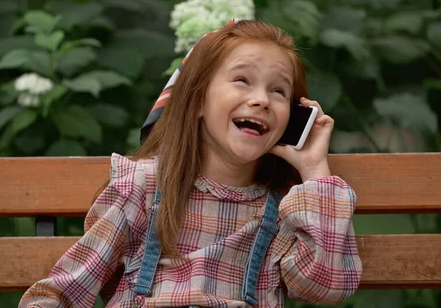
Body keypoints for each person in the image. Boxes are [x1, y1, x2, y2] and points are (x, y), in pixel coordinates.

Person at [19, 19, 362, 308]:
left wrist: (314, 169)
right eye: (242, 80)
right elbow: (64, 290)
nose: (260, 100)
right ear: (197, 99)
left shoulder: (285, 208)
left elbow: (325, 286)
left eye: (279, 91)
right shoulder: (143, 187)